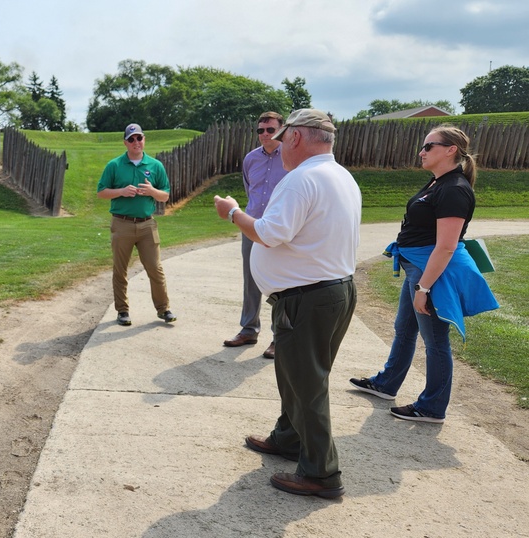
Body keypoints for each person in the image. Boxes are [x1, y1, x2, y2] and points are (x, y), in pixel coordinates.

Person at [213, 109, 361, 499]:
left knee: (307, 384)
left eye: (281, 138)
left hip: (307, 297)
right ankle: (288, 438)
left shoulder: (302, 179)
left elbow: (269, 233)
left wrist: (232, 213)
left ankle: (321, 473)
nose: (277, 147)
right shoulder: (340, 175)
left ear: (296, 137)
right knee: (296, 374)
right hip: (330, 291)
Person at [349, 126, 497, 423]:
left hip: (431, 273)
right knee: (404, 329)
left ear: (450, 150)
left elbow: (445, 246)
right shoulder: (437, 183)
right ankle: (386, 384)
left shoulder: (454, 189)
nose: (422, 151)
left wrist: (425, 288)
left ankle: (432, 407)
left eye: (429, 146)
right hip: (417, 267)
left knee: (435, 341)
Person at [97, 123, 177, 327]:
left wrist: (151, 191)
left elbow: (165, 195)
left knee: (155, 268)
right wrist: (121, 191)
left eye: (139, 138)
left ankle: (164, 309)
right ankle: (122, 311)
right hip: (122, 224)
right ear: (125, 142)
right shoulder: (114, 165)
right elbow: (101, 192)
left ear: (144, 140)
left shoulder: (155, 165)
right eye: (131, 139)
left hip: (147, 225)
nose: (136, 142)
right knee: (120, 269)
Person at [224, 112, 288, 359]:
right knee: (250, 279)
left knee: (278, 284)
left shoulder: (291, 158)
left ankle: (278, 338)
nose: (264, 135)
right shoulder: (250, 159)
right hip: (251, 226)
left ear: (281, 131)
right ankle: (248, 329)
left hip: (277, 229)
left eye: (270, 130)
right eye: (260, 130)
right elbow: (249, 190)